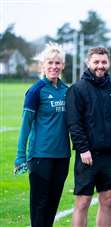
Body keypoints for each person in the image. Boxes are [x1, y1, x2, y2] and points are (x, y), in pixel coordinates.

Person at [65, 47, 111, 227]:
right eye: (96, 62)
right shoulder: (77, 89)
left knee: (108, 201)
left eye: (103, 62)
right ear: (88, 63)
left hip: (110, 157)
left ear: (108, 63)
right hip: (88, 156)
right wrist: (83, 149)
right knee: (82, 202)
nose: (100, 66)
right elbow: (74, 123)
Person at [14, 43, 71, 227]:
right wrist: (20, 157)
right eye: (50, 63)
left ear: (63, 66)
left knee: (53, 204)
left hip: (62, 156)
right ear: (43, 66)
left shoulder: (66, 90)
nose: (54, 66)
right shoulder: (35, 91)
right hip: (40, 156)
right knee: (39, 206)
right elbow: (25, 126)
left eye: (57, 63)